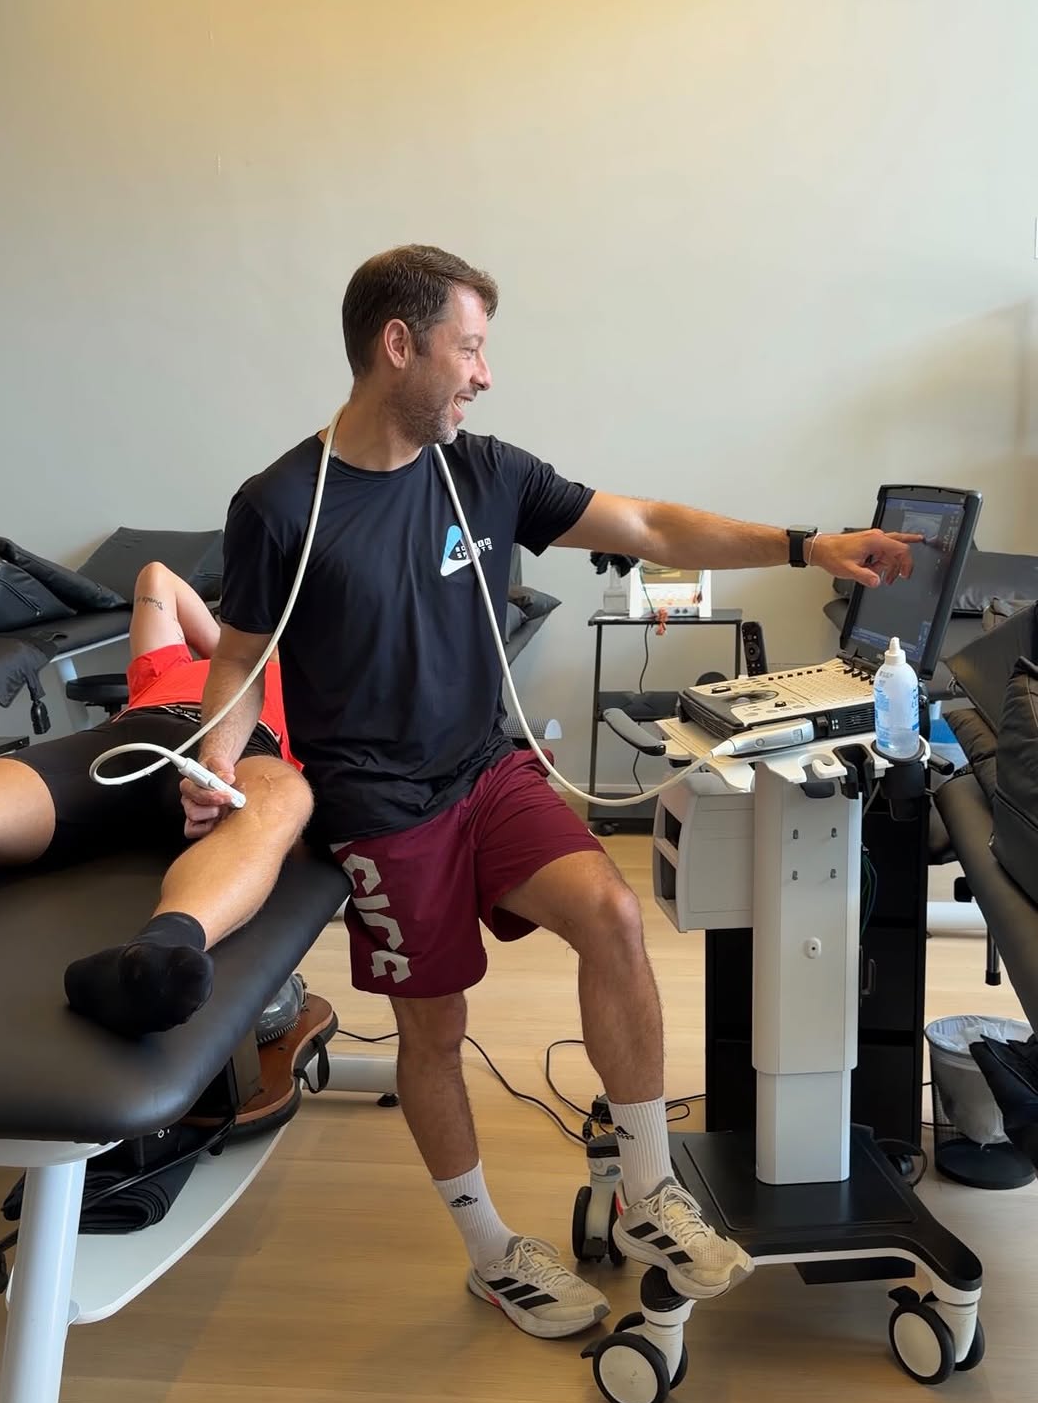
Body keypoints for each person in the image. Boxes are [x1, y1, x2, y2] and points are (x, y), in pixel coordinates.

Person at [189, 245, 920, 1341]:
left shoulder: (484, 473)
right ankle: (491, 1252)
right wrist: (213, 768)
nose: (485, 374)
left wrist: (808, 545)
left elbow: (650, 527)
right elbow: (241, 660)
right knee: (436, 1030)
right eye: (471, 348)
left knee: (612, 914)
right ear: (400, 345)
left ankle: (649, 1192)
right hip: (381, 806)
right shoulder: (282, 505)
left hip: (487, 768)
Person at [0, 561, 319, 1040]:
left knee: (284, 795)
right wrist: (234, 649)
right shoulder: (180, 665)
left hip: (248, 754)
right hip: (126, 743)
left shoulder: (309, 688)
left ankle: (150, 962)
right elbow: (156, 577)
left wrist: (261, 665)